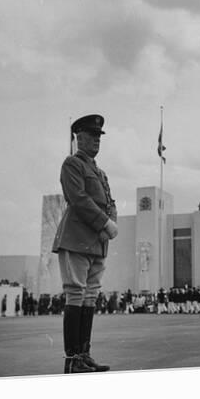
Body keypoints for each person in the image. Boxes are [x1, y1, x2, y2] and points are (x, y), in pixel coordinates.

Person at [52, 114, 117, 374]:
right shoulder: (72, 164)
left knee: (90, 295)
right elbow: (78, 198)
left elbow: (110, 202)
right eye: (91, 136)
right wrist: (104, 223)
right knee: (76, 293)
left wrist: (110, 223)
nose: (96, 141)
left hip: (97, 241)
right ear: (79, 138)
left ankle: (84, 354)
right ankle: (73, 358)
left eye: (99, 136)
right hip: (77, 238)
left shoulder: (100, 172)